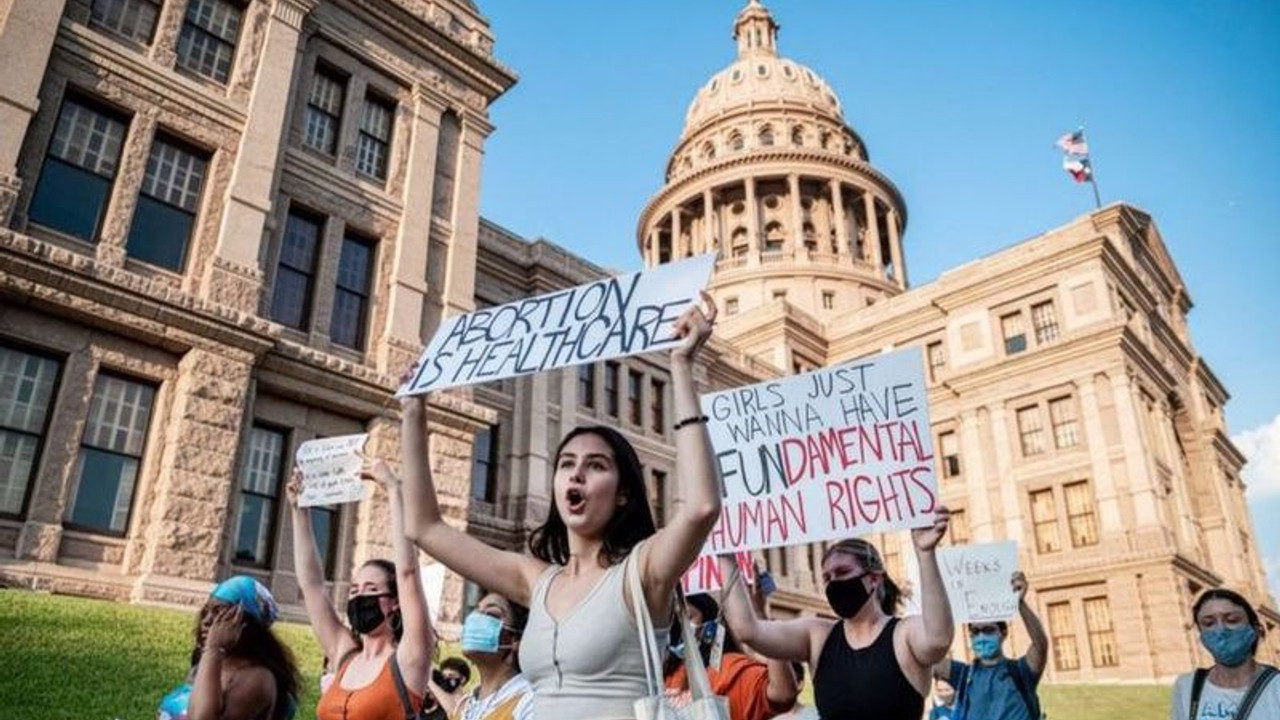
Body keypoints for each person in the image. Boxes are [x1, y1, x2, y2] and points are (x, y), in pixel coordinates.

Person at [401, 294, 720, 719]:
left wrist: (681, 368)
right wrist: (413, 413)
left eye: (596, 465)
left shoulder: (642, 572)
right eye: (566, 464)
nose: (576, 474)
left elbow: (701, 506)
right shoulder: (535, 580)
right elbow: (424, 527)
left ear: (623, 492)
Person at [719, 525, 954, 720]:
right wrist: (725, 553)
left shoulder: (903, 634)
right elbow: (747, 630)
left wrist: (926, 555)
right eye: (827, 577)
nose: (833, 583)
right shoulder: (818, 635)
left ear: (873, 579)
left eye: (842, 572)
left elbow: (938, 639)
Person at [288, 459, 435, 719]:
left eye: (370, 588)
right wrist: (299, 511)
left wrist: (393, 489)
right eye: (354, 590)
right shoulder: (344, 655)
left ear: (394, 602)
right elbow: (311, 586)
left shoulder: (408, 660)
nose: (359, 596)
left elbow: (408, 573)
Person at [158, 576, 300, 720]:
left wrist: (213, 649)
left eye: (219, 612)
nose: (207, 620)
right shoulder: (213, 663)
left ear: (246, 624)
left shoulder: (258, 678)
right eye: (206, 611)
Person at [662, 585, 798, 720]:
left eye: (689, 617)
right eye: (676, 619)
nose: (681, 626)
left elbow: (783, 694)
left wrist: (763, 620)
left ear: (711, 623)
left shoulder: (731, 668)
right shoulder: (667, 673)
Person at [933, 571, 1047, 720]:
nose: (981, 636)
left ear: (1003, 633)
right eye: (975, 631)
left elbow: (1040, 645)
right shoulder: (963, 675)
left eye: (988, 630)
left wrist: (1020, 603)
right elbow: (927, 660)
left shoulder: (1021, 671)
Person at [1170, 588, 1278, 720]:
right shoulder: (1186, 686)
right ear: (1201, 634)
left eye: (1232, 620)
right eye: (1209, 623)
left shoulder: (1276, 686)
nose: (1220, 629)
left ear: (1255, 629)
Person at [453, 591, 535, 720]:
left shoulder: (530, 702)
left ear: (516, 640)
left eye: (491, 614)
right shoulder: (464, 707)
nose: (476, 619)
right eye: (476, 610)